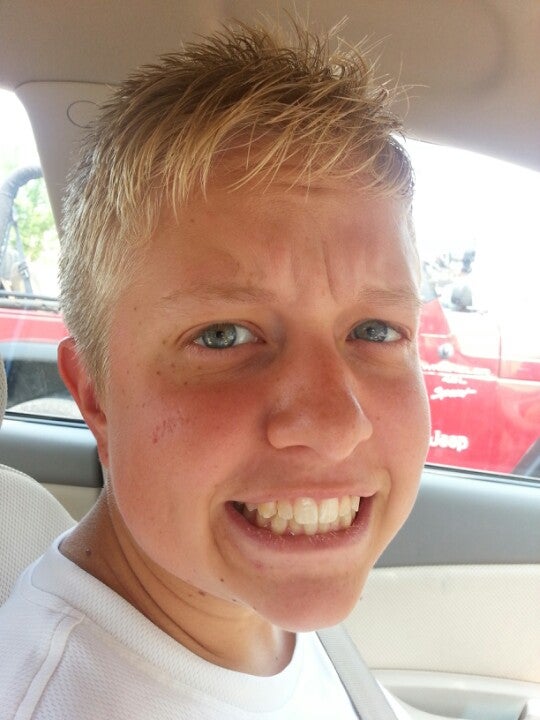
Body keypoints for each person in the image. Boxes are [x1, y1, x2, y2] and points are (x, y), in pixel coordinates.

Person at [0, 20, 430, 719]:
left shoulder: (242, 596)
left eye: (375, 330)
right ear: (96, 396)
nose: (334, 427)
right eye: (223, 336)